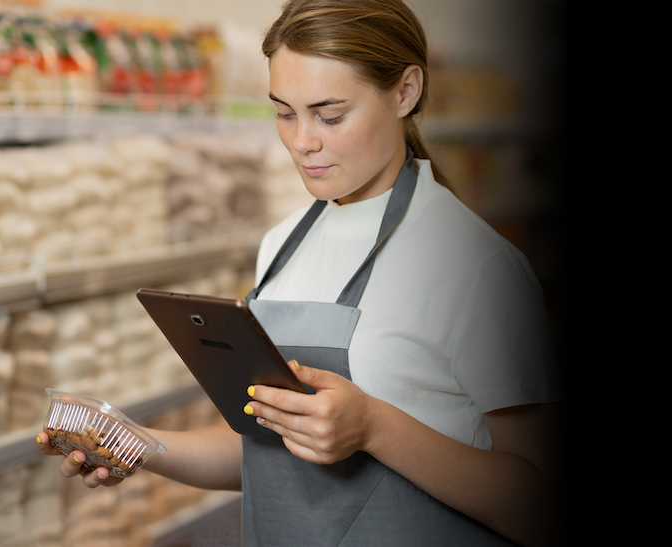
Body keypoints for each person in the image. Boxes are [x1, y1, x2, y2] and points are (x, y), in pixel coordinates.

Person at [35, 1, 567, 546]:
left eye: (330, 115)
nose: (301, 141)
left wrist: (373, 427)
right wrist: (135, 443)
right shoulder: (281, 246)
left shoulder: (476, 267)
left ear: (406, 92)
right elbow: (265, 453)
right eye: (284, 113)